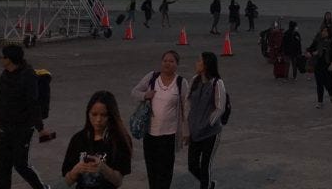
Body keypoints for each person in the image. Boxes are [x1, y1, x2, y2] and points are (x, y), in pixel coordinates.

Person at [0, 44, 54, 189]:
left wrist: (40, 128)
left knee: (20, 164)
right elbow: (0, 95)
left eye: (3, 56)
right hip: (5, 126)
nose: (1, 59)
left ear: (10, 59)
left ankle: (41, 188)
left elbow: (33, 102)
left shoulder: (28, 75)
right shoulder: (5, 74)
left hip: (23, 127)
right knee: (4, 166)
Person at [131, 50, 186, 189]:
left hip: (169, 135)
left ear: (177, 65)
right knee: (152, 170)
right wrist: (145, 95)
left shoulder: (181, 82)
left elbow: (186, 108)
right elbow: (134, 92)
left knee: (165, 171)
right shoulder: (152, 77)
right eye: (165, 60)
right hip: (150, 134)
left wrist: (187, 131)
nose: (167, 63)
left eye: (171, 61)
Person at [62, 90, 132, 188]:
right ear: (88, 114)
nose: (98, 120)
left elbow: (118, 181)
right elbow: (66, 182)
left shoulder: (119, 141)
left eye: (103, 115)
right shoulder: (78, 139)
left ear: (111, 116)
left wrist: (103, 168)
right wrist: (76, 170)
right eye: (94, 114)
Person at [182, 51, 227, 189]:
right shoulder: (194, 80)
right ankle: (209, 184)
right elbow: (187, 103)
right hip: (195, 132)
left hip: (210, 133)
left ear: (206, 64)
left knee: (205, 164)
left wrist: (208, 123)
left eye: (199, 61)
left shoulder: (217, 83)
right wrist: (187, 129)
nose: (197, 63)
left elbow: (220, 108)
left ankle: (206, 185)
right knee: (192, 165)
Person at [307, 25, 332, 108]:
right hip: (318, 64)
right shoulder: (317, 41)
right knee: (319, 83)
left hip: (328, 65)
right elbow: (310, 49)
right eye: (323, 31)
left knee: (327, 83)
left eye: (326, 31)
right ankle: (320, 101)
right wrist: (313, 53)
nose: (324, 33)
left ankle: (331, 94)